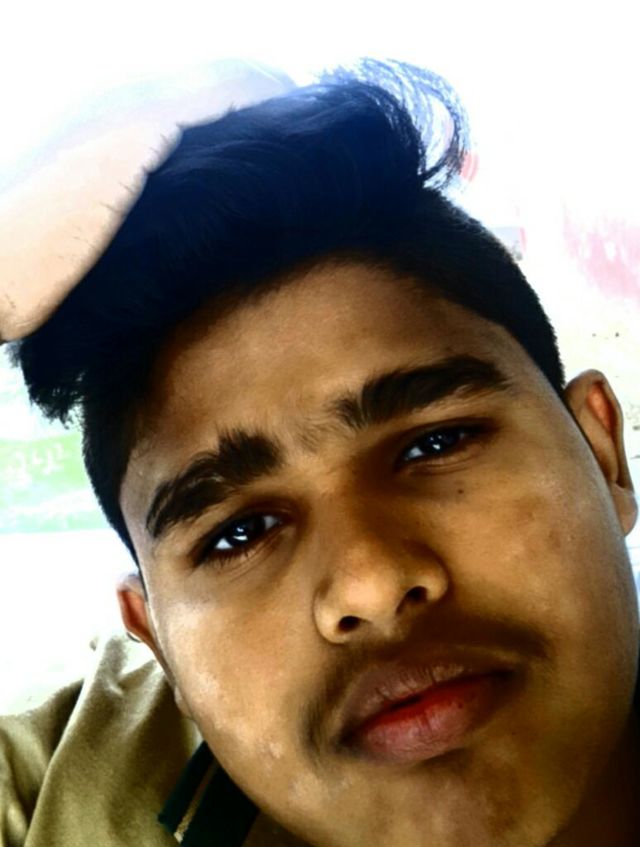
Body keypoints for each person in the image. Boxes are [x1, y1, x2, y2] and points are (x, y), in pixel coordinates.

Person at [1, 58, 639, 847]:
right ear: (156, 638)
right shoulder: (42, 797)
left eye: (435, 443)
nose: (371, 583)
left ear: (604, 453)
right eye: (238, 533)